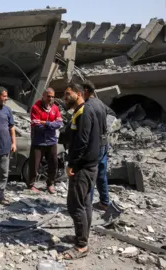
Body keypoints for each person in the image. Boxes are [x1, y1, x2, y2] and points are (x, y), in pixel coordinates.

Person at [61, 83, 101, 260]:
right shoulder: (83, 111)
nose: (65, 97)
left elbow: (82, 142)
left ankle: (81, 246)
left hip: (82, 167)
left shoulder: (84, 112)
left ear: (79, 94)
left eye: (68, 94)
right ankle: (81, 237)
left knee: (75, 205)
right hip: (89, 165)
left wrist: (72, 164)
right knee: (85, 204)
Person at [81, 81, 117, 211]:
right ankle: (104, 202)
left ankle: (87, 206)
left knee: (90, 174)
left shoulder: (87, 106)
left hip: (95, 146)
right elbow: (112, 114)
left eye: (80, 91)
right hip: (104, 144)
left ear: (85, 91)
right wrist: (106, 128)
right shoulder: (100, 103)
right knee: (101, 174)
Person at [28, 88, 63, 194]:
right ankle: (31, 185)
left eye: (52, 96)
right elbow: (36, 125)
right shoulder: (35, 108)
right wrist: (51, 125)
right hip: (38, 141)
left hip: (51, 141)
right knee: (34, 164)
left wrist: (46, 123)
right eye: (48, 96)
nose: (50, 98)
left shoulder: (55, 108)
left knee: (53, 163)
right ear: (43, 96)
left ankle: (50, 184)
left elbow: (59, 123)